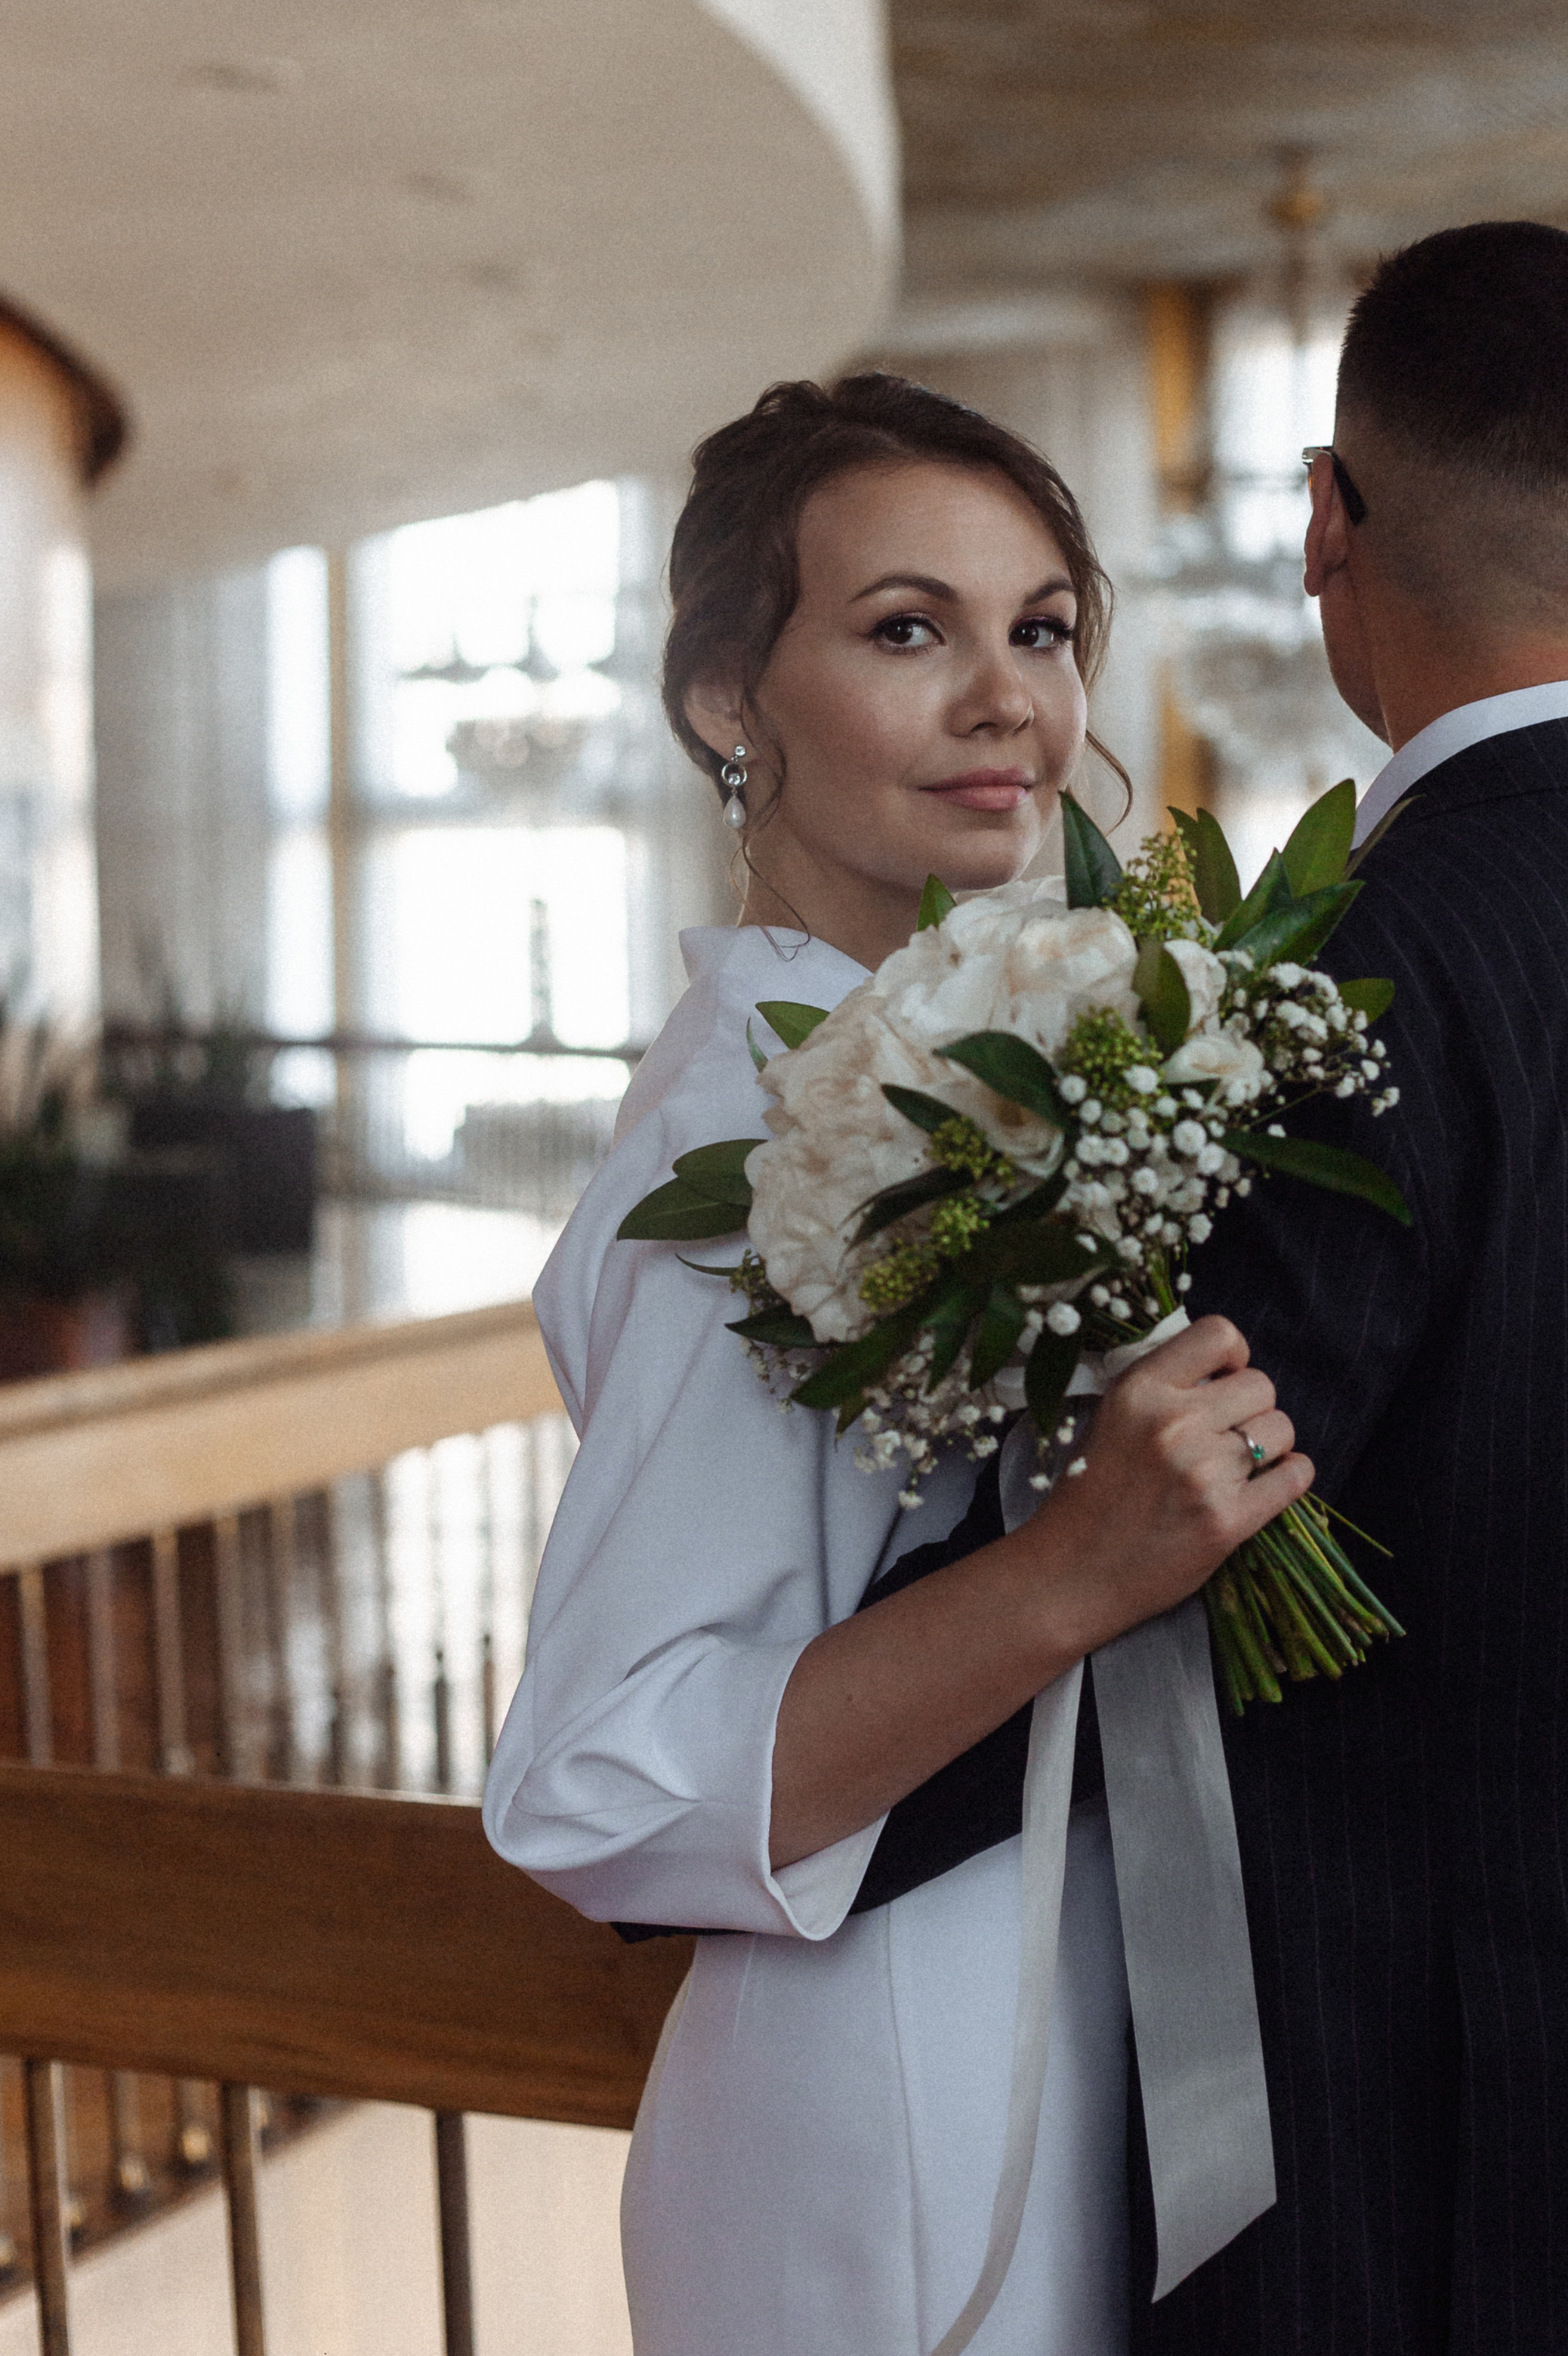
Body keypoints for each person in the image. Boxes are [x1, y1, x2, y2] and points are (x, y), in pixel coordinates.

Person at [871, 220, 1568, 2353]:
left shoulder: (1318, 1005)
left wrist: (773, 1801)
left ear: (1325, 525)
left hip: (1446, 2191)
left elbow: (1157, 1563)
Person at [482, 372, 1310, 2356]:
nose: (1008, 697)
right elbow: (597, 1781)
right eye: (905, 628)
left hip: (1075, 2024)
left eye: (1040, 630)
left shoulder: (949, 1065)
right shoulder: (745, 1162)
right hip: (899, 2110)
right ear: (721, 704)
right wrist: (1066, 1574)